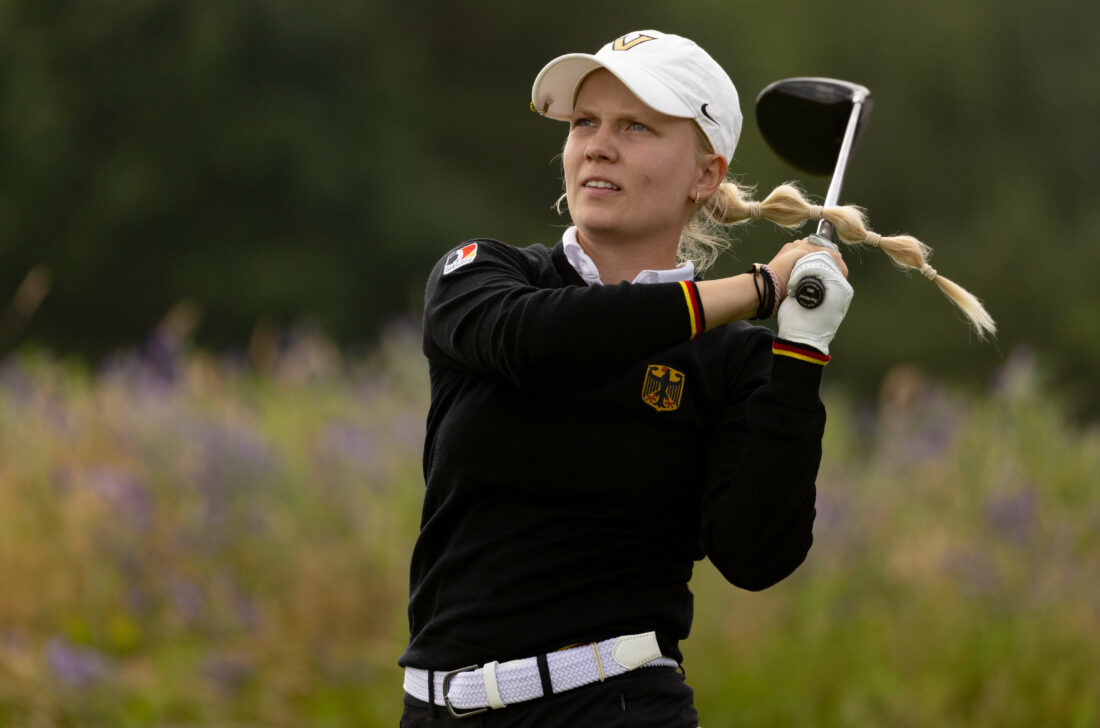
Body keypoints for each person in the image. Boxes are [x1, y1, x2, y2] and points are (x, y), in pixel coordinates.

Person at [398, 30, 989, 727]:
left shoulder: (731, 362)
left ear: (705, 175)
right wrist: (758, 290)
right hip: (435, 710)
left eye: (636, 126)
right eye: (585, 122)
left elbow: (755, 554)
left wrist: (801, 353)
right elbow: (547, 339)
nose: (597, 144)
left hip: (614, 706)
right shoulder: (483, 277)